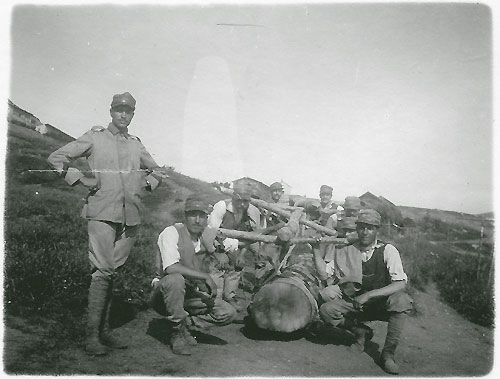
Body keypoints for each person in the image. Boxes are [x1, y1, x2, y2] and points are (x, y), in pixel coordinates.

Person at [47, 92, 167, 356]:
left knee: (112, 271)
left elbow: (158, 171)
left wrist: (146, 185)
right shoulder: (95, 137)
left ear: (133, 114)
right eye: (118, 110)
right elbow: (57, 158)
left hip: (130, 215)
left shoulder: (136, 144)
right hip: (102, 212)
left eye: (128, 111)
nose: (123, 115)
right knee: (102, 270)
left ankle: (105, 332)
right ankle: (92, 337)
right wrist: (79, 180)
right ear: (110, 111)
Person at [314, 209, 413, 375]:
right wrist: (316, 250)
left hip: (381, 304)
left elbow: (400, 283)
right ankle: (361, 333)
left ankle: (388, 355)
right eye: (361, 227)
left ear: (376, 230)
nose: (365, 232)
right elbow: (324, 274)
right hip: (356, 303)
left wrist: (369, 295)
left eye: (370, 228)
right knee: (327, 310)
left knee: (401, 301)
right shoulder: (347, 250)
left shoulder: (388, 250)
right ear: (357, 228)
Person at [150, 194, 236, 355]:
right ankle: (176, 332)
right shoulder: (171, 232)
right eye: (192, 215)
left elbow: (230, 247)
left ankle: (186, 325)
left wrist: (222, 254)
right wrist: (204, 277)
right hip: (164, 294)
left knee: (227, 312)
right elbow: (170, 268)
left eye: (202, 216)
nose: (197, 220)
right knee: (175, 280)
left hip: (189, 293)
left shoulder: (206, 236)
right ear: (185, 216)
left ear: (207, 219)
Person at [202, 187, 266, 308]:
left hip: (236, 246)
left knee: (235, 270)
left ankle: (229, 297)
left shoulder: (250, 212)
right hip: (216, 245)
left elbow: (249, 236)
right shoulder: (222, 207)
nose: (242, 204)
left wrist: (242, 255)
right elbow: (210, 233)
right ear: (233, 198)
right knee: (216, 271)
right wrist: (219, 253)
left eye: (245, 201)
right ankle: (215, 299)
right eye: (238, 200)